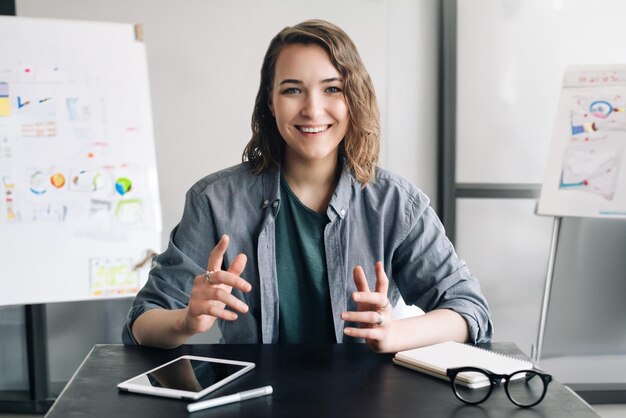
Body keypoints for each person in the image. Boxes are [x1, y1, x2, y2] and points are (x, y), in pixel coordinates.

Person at [122, 19, 493, 352]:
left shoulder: (396, 203)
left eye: (332, 89)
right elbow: (142, 320)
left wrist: (395, 333)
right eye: (292, 90)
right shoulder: (215, 200)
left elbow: (469, 309)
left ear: (353, 98)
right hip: (251, 401)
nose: (313, 110)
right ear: (270, 101)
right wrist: (186, 320)